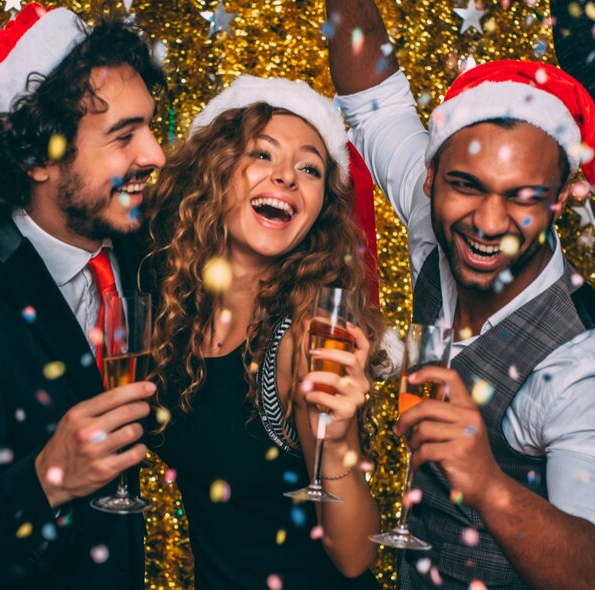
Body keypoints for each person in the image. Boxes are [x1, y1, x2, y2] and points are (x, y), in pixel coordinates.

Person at [324, 0, 595, 587]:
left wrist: (490, 485)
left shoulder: (578, 362)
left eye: (523, 197)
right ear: (430, 175)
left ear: (562, 196)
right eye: (466, 187)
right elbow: (374, 99)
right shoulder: (436, 226)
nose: (488, 221)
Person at [0, 4, 166, 589]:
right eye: (124, 136)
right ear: (35, 158)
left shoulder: (144, 249)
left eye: (151, 128)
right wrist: (46, 478)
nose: (153, 154)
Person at [145, 75, 383, 589]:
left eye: (310, 168)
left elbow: (354, 556)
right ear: (215, 170)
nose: (286, 178)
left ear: (322, 206)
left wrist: (337, 439)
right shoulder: (170, 303)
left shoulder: (303, 335)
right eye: (263, 155)